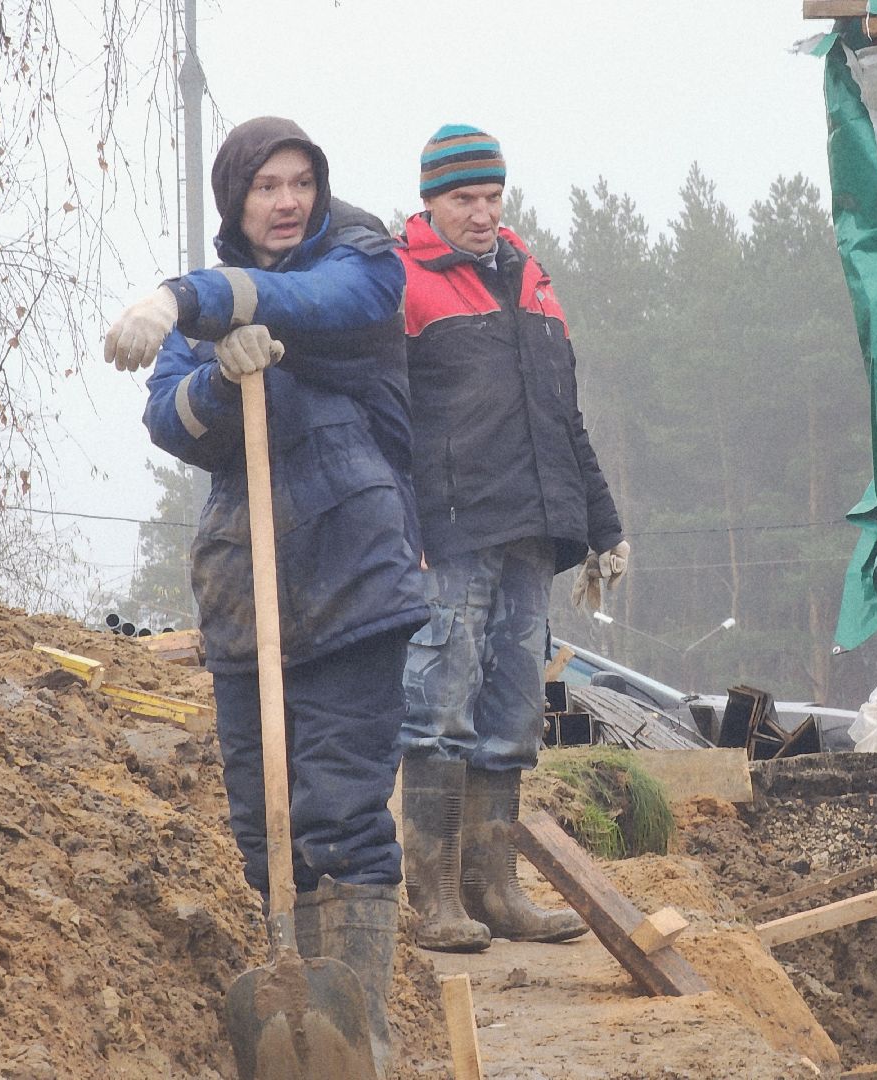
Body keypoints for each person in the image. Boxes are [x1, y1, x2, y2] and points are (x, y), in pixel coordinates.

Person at [103, 116, 425, 1074]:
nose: (288, 202)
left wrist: (189, 299)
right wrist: (219, 373)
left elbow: (323, 303)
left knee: (341, 813)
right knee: (263, 825)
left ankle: (356, 1034)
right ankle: (299, 1023)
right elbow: (169, 416)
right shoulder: (210, 323)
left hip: (355, 575)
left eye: (300, 183)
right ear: (235, 202)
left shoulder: (362, 258)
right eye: (266, 188)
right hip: (249, 587)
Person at [396, 124, 630, 953]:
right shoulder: (404, 281)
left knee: (512, 711)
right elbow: (386, 418)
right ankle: (433, 899)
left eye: (493, 196)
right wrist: (400, 522)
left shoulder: (533, 281)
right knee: (438, 703)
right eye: (465, 199)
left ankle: (495, 890)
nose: (483, 213)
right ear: (431, 201)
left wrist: (603, 524)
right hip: (451, 532)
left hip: (535, 529)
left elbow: (565, 416)